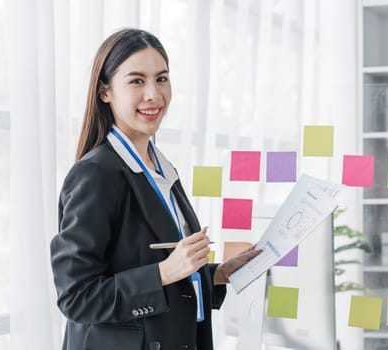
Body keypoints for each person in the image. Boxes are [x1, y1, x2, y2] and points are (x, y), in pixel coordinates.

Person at [50, 28, 260, 350]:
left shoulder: (162, 168)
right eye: (137, 81)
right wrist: (163, 272)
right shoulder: (95, 175)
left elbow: (154, 267)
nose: (154, 94)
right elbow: (76, 297)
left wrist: (215, 274)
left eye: (162, 79)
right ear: (105, 91)